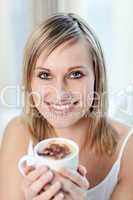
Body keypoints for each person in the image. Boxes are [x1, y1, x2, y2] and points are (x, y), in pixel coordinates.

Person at [0, 12, 133, 200]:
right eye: (45, 75)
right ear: (29, 80)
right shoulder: (17, 132)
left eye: (75, 74)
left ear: (96, 76)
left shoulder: (128, 150)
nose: (60, 93)